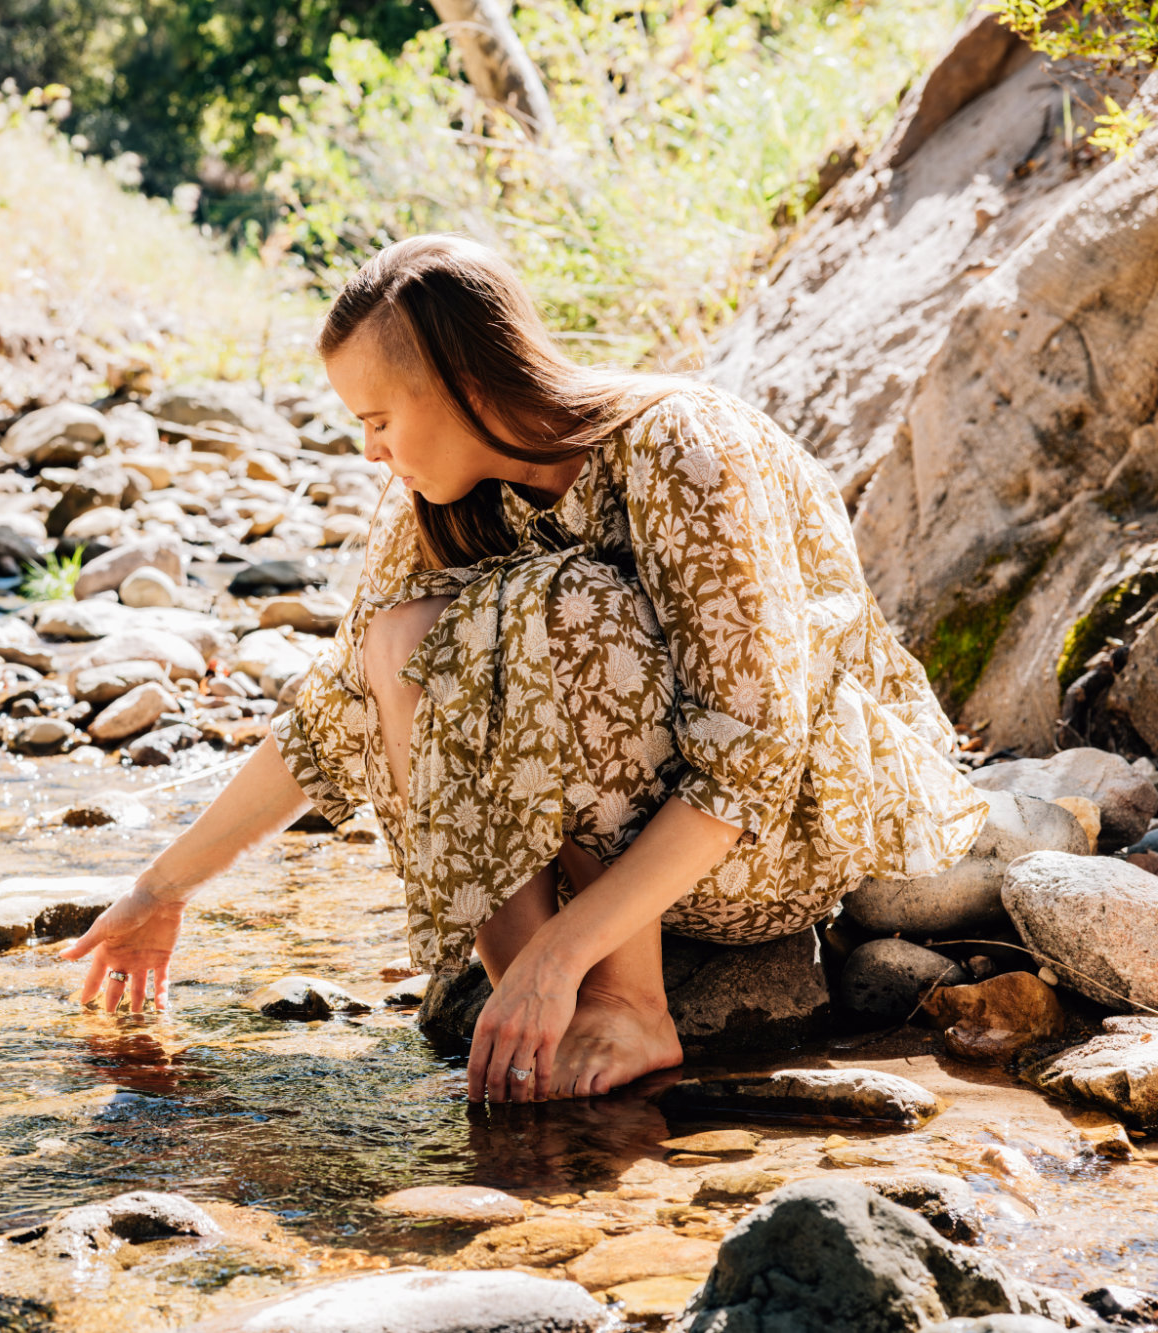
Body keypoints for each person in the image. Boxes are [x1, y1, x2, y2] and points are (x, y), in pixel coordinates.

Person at [63, 234, 988, 1103]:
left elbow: (756, 754)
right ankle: (534, 1005)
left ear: (466, 382)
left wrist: (563, 955)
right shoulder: (451, 501)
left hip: (774, 841)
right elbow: (332, 714)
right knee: (397, 639)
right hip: (634, 870)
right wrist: (158, 889)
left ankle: (628, 1004)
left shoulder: (681, 442)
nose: (372, 451)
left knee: (562, 600)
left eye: (380, 419)